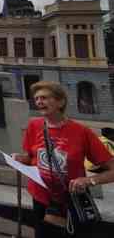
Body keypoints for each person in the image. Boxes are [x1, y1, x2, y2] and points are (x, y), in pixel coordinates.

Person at [12, 81, 114, 238]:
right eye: (37, 98)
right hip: (40, 197)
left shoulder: (81, 132)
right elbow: (32, 158)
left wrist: (89, 181)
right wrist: (19, 159)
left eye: (45, 97)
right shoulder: (34, 126)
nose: (39, 102)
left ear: (61, 102)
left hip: (71, 199)